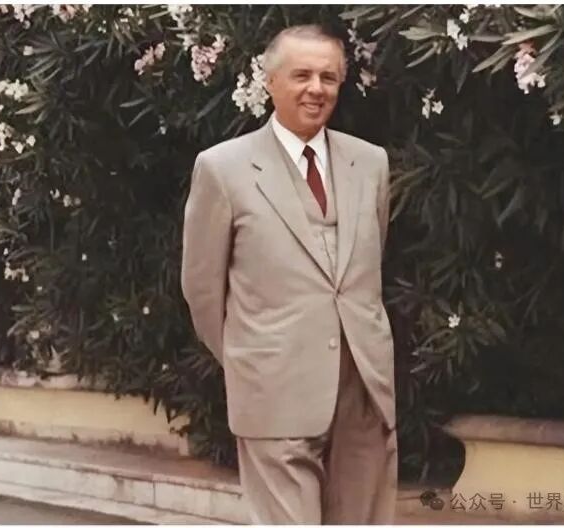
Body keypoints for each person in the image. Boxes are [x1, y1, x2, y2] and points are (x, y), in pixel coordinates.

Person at [181, 24, 397, 524]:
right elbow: (201, 288)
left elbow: (368, 264)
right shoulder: (222, 168)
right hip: (272, 388)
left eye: (328, 77)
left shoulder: (370, 163)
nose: (316, 89)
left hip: (363, 387)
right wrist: (250, 357)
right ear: (270, 80)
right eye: (302, 75)